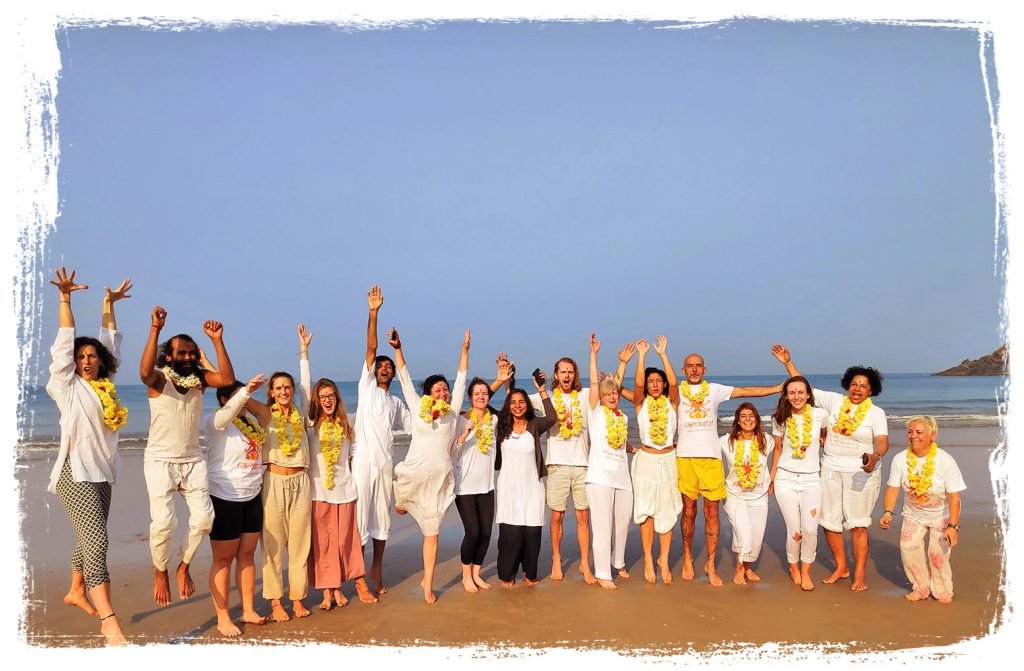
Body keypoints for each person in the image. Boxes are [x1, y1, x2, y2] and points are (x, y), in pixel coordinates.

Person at [45, 267, 130, 645]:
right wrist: (65, 299)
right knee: (97, 542)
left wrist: (107, 304)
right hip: (74, 472)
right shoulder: (67, 386)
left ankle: (76, 590)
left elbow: (111, 342)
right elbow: (63, 343)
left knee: (88, 538)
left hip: (102, 473)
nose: (86, 360)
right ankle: (109, 620)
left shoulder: (105, 387)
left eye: (92, 355)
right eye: (81, 356)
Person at [674, 345, 795, 586]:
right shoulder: (675, 391)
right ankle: (687, 556)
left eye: (699, 365)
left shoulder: (716, 390)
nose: (695, 369)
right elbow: (644, 396)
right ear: (683, 370)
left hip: (710, 459)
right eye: (690, 366)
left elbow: (747, 391)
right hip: (685, 458)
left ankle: (710, 563)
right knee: (688, 512)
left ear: (705, 369)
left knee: (711, 513)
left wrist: (779, 388)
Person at [140, 305, 236, 606]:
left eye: (193, 353)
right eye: (183, 353)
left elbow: (228, 378)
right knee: (164, 524)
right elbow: (144, 372)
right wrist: (155, 330)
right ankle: (160, 570)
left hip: (193, 460)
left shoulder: (200, 381)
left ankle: (183, 566)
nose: (189, 358)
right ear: (169, 356)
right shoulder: (160, 381)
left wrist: (217, 341)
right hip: (159, 461)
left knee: (205, 519)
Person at [297, 324, 376, 609]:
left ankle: (351, 582)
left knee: (347, 541)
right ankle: (329, 591)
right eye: (323, 396)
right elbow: (304, 390)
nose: (327, 400)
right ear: (317, 401)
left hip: (346, 490)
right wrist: (304, 352)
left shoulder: (346, 423)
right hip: (320, 492)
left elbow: (355, 452)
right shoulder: (310, 425)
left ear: (337, 399)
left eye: (331, 396)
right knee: (324, 543)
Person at [796, 356, 889, 592]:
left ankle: (859, 574)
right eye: (854, 383)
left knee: (858, 525)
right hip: (830, 468)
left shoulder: (876, 413)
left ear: (871, 391)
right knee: (829, 522)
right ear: (848, 384)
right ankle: (841, 567)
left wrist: (875, 457)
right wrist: (788, 362)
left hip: (861, 472)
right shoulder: (835, 401)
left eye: (864, 385)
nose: (857, 388)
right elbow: (803, 388)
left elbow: (882, 441)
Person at [391, 326, 469, 604]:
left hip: (438, 481)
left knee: (431, 534)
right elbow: (404, 379)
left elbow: (461, 381)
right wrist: (398, 349)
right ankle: (403, 501)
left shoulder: (452, 412)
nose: (444, 393)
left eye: (445, 389)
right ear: (428, 394)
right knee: (400, 508)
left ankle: (428, 584)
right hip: (413, 475)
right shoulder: (418, 407)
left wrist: (464, 351)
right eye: (438, 390)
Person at [352, 285, 411, 596]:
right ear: (373, 371)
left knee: (381, 522)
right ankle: (360, 576)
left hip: (385, 468)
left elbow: (419, 425)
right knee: (361, 521)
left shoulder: (397, 403)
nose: (385, 368)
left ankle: (375, 569)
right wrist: (373, 312)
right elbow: (372, 347)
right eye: (381, 367)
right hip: (362, 464)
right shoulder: (366, 388)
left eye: (389, 367)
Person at [202, 374, 271, 636]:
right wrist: (242, 394)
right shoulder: (215, 422)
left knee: (247, 555)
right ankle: (222, 616)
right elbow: (225, 415)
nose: (246, 402)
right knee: (223, 559)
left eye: (247, 398)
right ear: (223, 400)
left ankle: (249, 610)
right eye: (239, 397)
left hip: (252, 497)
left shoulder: (250, 421)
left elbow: (267, 418)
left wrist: (248, 396)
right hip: (224, 498)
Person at [880, 416, 965, 603]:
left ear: (933, 435)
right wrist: (888, 511)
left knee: (937, 554)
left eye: (919, 432)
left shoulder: (945, 461)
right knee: (908, 550)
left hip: (942, 515)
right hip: (913, 514)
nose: (913, 436)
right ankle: (920, 587)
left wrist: (953, 526)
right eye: (910, 431)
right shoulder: (900, 459)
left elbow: (954, 497)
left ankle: (942, 590)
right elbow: (893, 488)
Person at [489, 376, 556, 587]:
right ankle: (507, 574)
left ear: (527, 405)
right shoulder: (501, 424)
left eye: (522, 402)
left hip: (532, 486)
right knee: (511, 533)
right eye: (513, 402)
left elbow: (552, 417)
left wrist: (543, 390)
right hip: (509, 486)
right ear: (508, 406)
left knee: (531, 531)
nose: (517, 406)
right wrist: (501, 380)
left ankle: (529, 571)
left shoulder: (535, 425)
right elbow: (481, 402)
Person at [260, 368, 312, 621]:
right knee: (273, 545)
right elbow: (238, 400)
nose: (283, 391)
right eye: (278, 387)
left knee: (300, 544)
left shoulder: (300, 415)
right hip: (274, 482)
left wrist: (303, 352)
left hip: (301, 481)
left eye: (287, 387)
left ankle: (297, 598)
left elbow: (307, 386)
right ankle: (275, 602)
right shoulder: (264, 415)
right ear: (271, 392)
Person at [585, 333, 636, 591]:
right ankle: (603, 572)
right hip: (600, 477)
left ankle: (618, 562)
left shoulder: (622, 418)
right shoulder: (595, 413)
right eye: (608, 394)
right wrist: (593, 354)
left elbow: (618, 442)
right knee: (602, 526)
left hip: (622, 476)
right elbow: (596, 383)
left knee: (623, 521)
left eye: (615, 393)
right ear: (601, 398)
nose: (612, 396)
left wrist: (632, 449)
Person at [451, 368, 510, 593]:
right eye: (477, 393)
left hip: (487, 485)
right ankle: (466, 575)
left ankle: (476, 574)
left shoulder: (493, 420)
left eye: (485, 393)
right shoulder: (460, 419)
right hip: (464, 486)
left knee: (486, 533)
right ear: (469, 397)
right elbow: (452, 451)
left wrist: (501, 381)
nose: (481, 397)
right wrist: (465, 434)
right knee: (473, 532)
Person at [768, 375, 828, 591]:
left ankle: (806, 571)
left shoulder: (820, 415)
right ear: (786, 395)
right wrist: (771, 476)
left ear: (808, 394)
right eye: (791, 392)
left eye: (800, 392)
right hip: (786, 478)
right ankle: (793, 566)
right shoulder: (780, 418)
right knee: (795, 530)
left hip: (812, 478)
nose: (796, 396)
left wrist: (822, 436)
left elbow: (830, 431)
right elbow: (778, 449)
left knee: (810, 529)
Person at [630, 336, 682, 585]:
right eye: (651, 382)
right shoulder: (640, 404)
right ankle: (649, 559)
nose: (654, 384)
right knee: (646, 511)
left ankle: (664, 558)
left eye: (657, 381)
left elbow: (675, 382)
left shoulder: (672, 403)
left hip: (669, 460)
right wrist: (641, 356)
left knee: (668, 510)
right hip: (646, 461)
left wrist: (662, 355)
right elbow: (638, 384)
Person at [720, 403, 773, 585]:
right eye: (743, 416)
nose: (748, 419)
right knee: (742, 533)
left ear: (757, 419)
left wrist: (772, 478)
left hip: (759, 495)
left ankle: (748, 568)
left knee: (756, 536)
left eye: (751, 415)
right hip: (735, 494)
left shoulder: (767, 440)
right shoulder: (727, 441)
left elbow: (784, 448)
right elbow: (703, 445)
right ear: (737, 420)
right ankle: (739, 569)